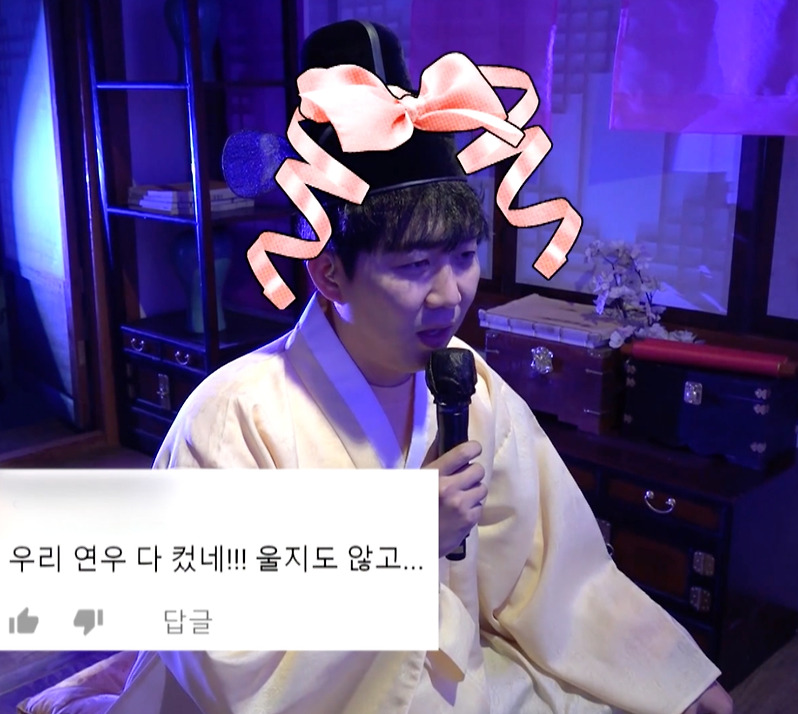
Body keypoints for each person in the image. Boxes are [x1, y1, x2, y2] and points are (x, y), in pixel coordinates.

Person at [113, 19, 734, 714]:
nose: (449, 296)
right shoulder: (234, 420)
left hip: (453, 680)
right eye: (413, 265)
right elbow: (224, 660)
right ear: (329, 273)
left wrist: (672, 678)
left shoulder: (467, 382)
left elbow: (550, 570)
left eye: (463, 258)